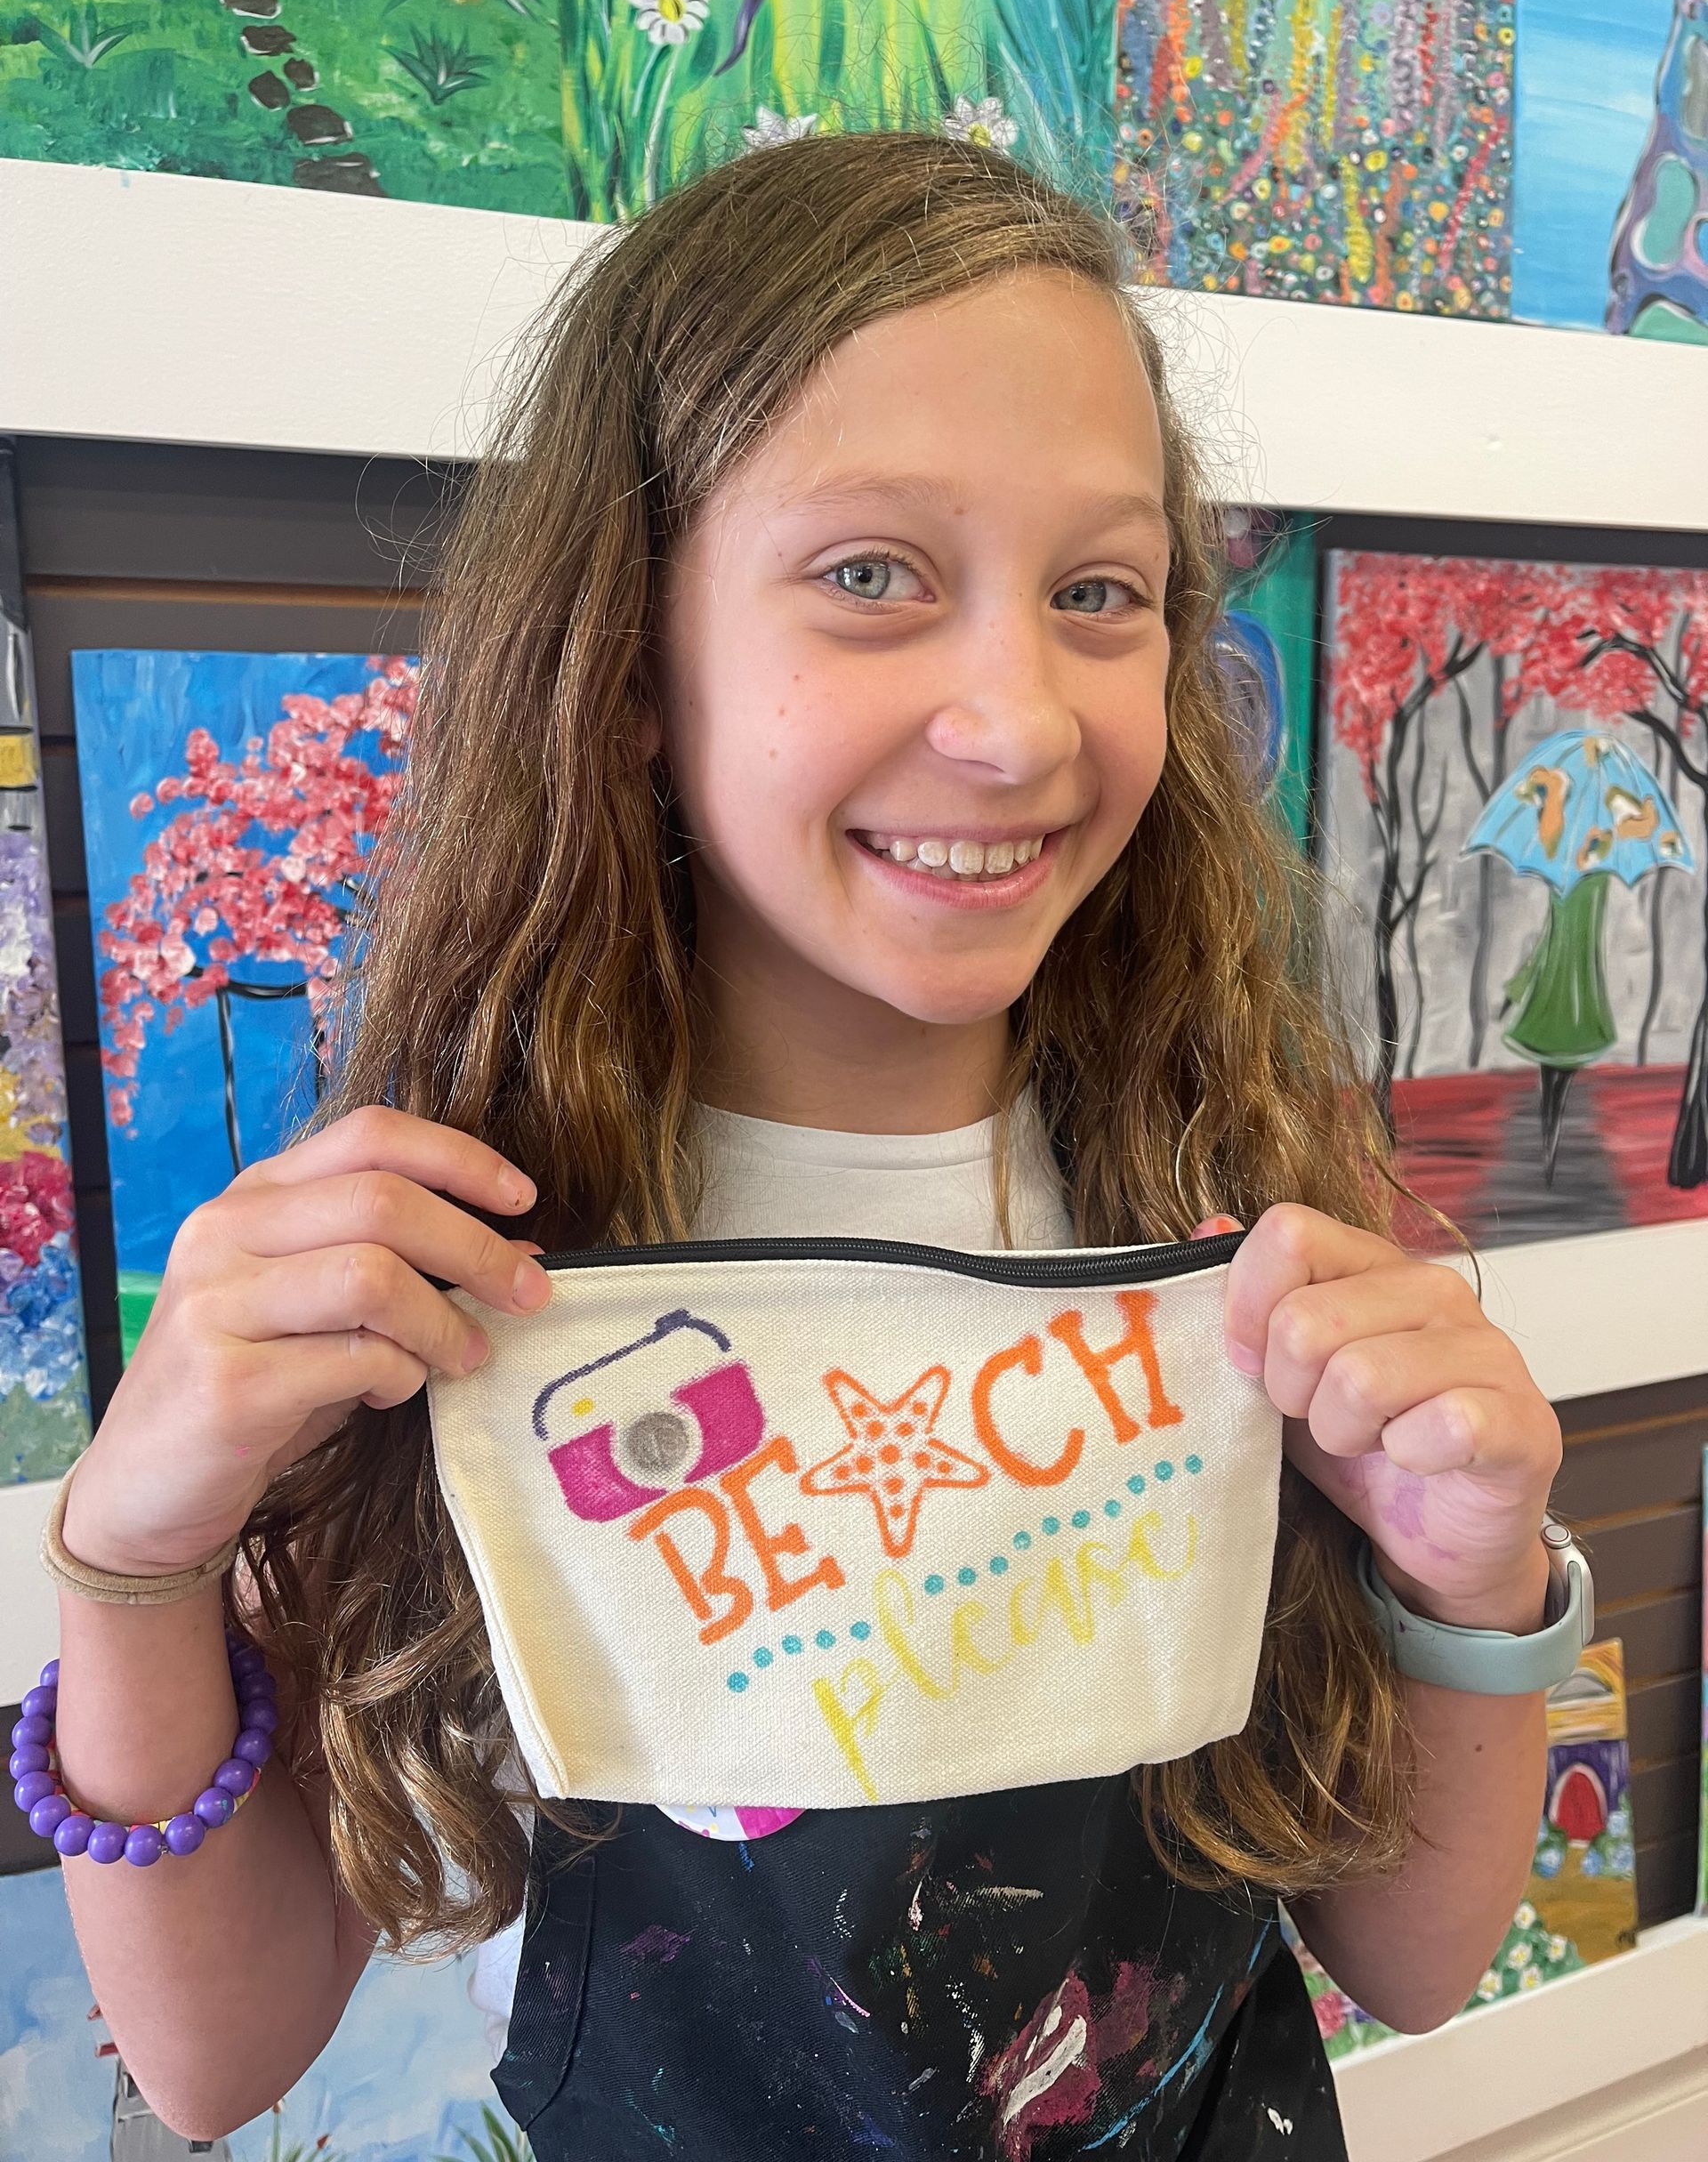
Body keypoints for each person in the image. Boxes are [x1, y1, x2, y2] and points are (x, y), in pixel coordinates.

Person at [41, 131, 1567, 2160]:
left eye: (1098, 592)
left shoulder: (1252, 1213)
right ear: (630, 656)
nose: (1020, 721)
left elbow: (1416, 1955)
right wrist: (136, 1556)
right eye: (871, 576)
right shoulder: (442, 1268)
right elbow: (215, 2055)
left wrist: (1470, 1574)